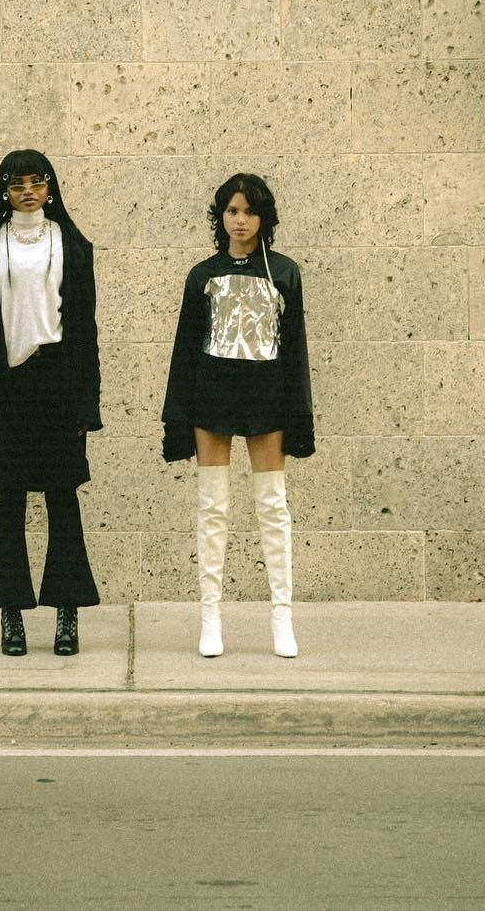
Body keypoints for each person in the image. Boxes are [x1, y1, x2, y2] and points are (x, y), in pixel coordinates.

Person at [161, 173, 315, 659]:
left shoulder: (284, 272)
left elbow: (295, 350)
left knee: (272, 506)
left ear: (263, 217)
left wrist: (298, 412)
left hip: (267, 397)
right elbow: (185, 349)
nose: (241, 220)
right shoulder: (202, 275)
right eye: (232, 211)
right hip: (212, 396)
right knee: (213, 507)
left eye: (249, 211)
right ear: (221, 216)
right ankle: (210, 616)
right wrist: (178, 413)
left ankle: (282, 617)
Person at [0, 149, 102, 657]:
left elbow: (86, 329)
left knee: (63, 500)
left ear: (50, 188)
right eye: (17, 183)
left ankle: (67, 614)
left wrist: (88, 402)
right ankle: (11, 615)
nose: (27, 192)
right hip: (5, 388)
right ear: (4, 189)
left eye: (37, 182)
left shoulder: (72, 244)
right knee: (8, 501)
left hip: (58, 383)